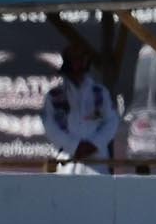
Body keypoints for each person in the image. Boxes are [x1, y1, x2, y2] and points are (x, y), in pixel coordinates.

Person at [41, 41, 120, 173]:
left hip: (97, 161)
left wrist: (94, 144)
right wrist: (75, 146)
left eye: (80, 59)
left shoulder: (100, 92)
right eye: (73, 60)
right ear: (67, 64)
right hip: (67, 160)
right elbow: (50, 126)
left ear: (86, 63)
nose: (77, 64)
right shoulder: (54, 95)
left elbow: (112, 121)